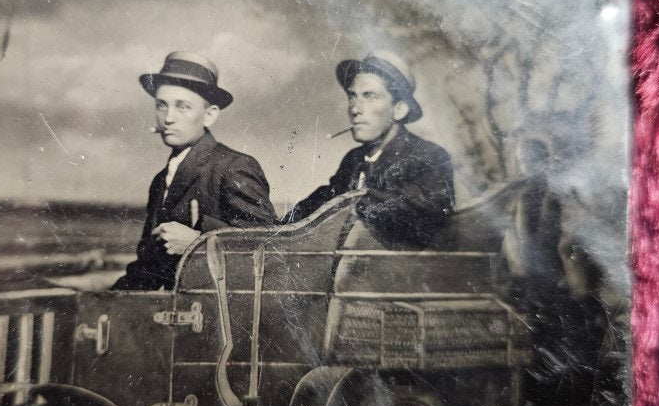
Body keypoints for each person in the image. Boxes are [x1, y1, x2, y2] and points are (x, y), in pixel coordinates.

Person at [112, 52, 277, 291]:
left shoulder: (233, 166)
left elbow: (270, 249)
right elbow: (147, 267)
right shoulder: (160, 181)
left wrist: (198, 242)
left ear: (209, 115)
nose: (168, 118)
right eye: (162, 105)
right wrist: (100, 301)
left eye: (182, 106)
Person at [283, 51, 454, 249]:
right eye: (352, 96)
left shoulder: (428, 156)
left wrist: (357, 202)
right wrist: (283, 226)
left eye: (370, 96)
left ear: (399, 109)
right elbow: (326, 199)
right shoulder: (354, 159)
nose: (355, 109)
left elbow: (425, 216)